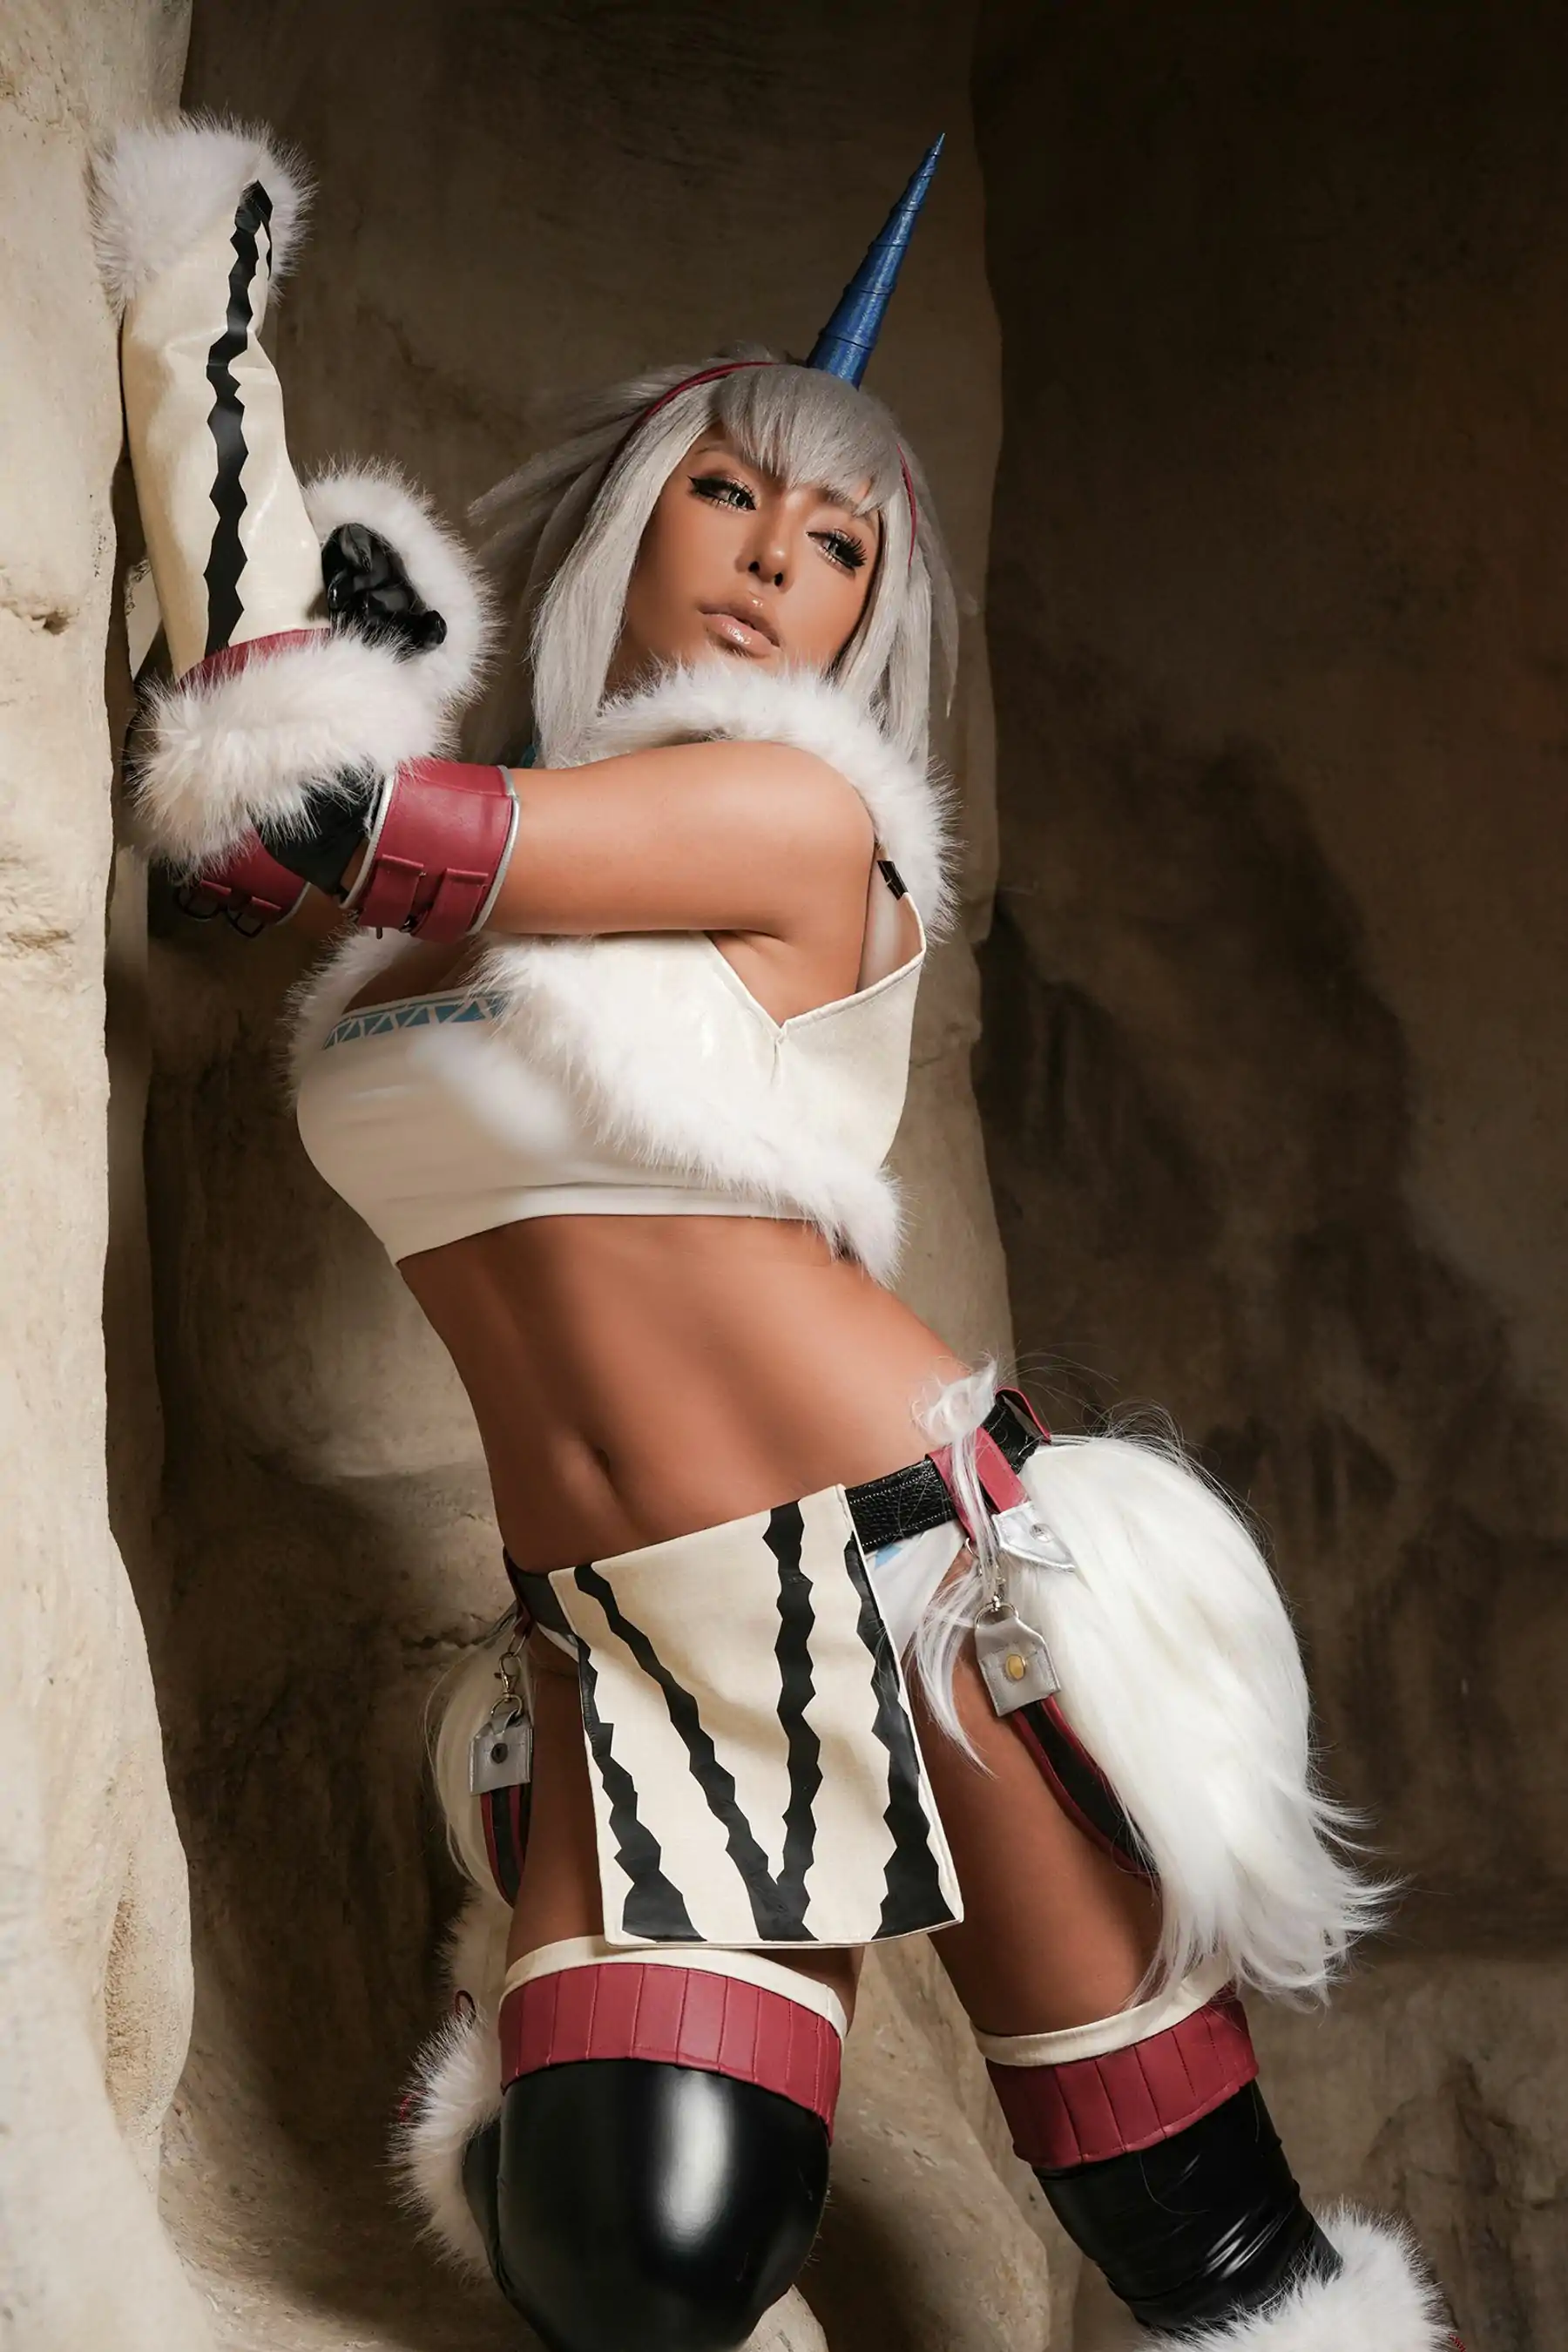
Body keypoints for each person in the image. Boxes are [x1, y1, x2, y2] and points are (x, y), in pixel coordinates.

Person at [97, 113, 1460, 2352]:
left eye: (837, 542)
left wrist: (200, 329)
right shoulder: (486, 885)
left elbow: (324, 797)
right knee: (627, 2262)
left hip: (922, 1590)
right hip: (623, 1644)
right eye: (727, 493)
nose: (770, 562)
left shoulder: (791, 810)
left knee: (1212, 2268)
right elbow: (229, 849)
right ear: (638, 513)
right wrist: (231, 428)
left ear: (868, 615)